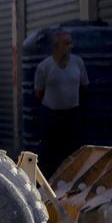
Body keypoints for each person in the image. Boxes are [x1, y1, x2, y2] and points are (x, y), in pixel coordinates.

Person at [34, 29, 89, 176]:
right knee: (50, 153)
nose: (70, 46)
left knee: (74, 151)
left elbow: (84, 86)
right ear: (56, 46)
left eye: (70, 43)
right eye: (66, 43)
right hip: (52, 115)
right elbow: (39, 93)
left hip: (72, 114)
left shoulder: (78, 63)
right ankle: (49, 184)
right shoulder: (44, 67)